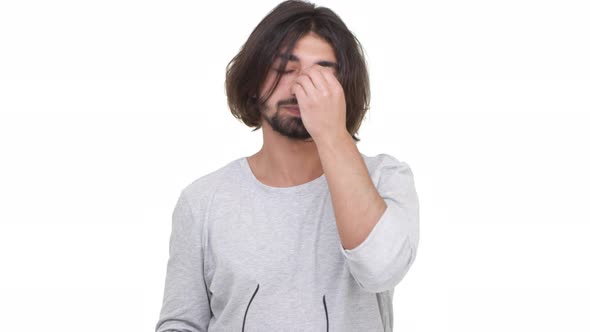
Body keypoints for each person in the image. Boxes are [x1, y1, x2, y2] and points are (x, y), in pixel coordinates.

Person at [155, 1, 420, 331]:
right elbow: (181, 323)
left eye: (323, 72)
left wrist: (333, 134)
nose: (302, 87)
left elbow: (381, 270)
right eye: (285, 68)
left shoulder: (385, 178)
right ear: (254, 83)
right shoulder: (202, 201)